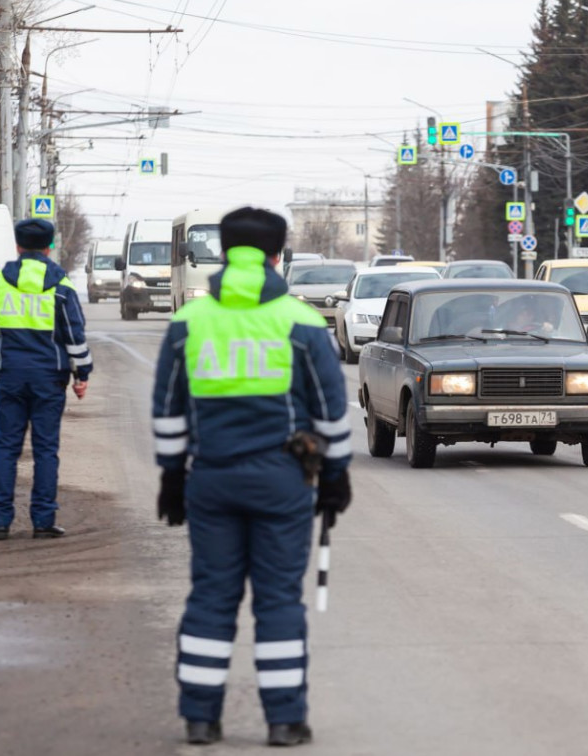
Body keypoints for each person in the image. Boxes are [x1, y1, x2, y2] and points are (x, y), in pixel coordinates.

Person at [151, 207, 352, 748]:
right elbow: (332, 411)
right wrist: (335, 476)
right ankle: (284, 722)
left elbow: (168, 410)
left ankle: (199, 719)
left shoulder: (188, 323)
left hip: (210, 481)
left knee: (211, 597)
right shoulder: (302, 322)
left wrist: (172, 478)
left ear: (224, 252)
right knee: (279, 602)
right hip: (282, 483)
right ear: (277, 255)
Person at [0, 218, 90, 541]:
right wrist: (81, 375)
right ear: (50, 247)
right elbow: (75, 337)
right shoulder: (61, 287)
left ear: (17, 246)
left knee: (5, 448)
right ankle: (43, 521)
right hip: (49, 380)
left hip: (11, 377)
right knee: (45, 450)